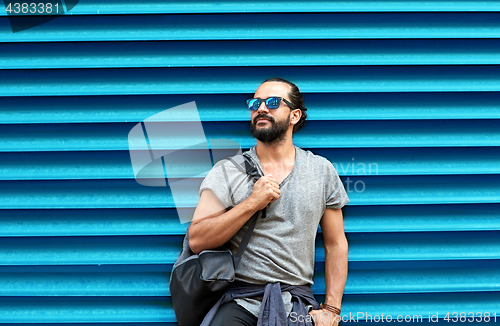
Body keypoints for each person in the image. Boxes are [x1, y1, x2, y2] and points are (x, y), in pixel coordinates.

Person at [188, 77, 349, 326]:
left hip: (296, 303)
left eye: (273, 102)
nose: (261, 108)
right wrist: (251, 203)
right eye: (255, 103)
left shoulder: (321, 170)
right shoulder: (228, 170)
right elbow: (197, 240)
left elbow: (335, 243)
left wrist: (331, 309)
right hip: (240, 301)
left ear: (294, 116)